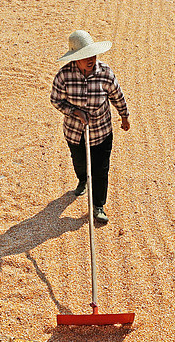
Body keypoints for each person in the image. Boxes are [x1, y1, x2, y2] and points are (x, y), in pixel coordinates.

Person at [50, 30, 130, 225]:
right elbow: (55, 100)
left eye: (92, 55)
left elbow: (116, 96)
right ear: (75, 59)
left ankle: (98, 206)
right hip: (75, 132)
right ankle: (82, 180)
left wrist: (124, 116)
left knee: (101, 169)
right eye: (85, 56)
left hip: (102, 131)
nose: (90, 60)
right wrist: (75, 112)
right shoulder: (63, 76)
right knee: (79, 162)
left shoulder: (105, 73)